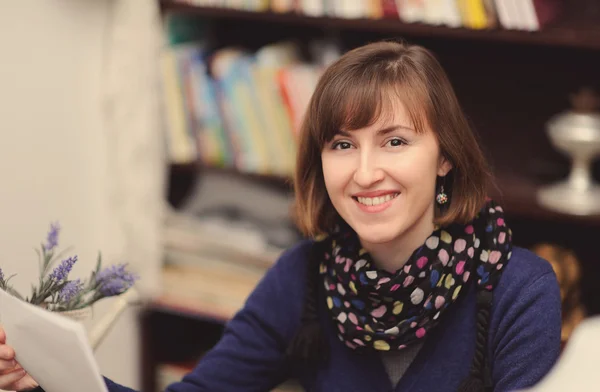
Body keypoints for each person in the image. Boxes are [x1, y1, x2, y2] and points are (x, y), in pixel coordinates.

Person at [0, 40, 561, 392]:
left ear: (444, 158)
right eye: (342, 145)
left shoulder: (517, 288)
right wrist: (49, 380)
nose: (365, 173)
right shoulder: (305, 277)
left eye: (394, 141)